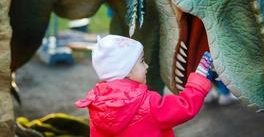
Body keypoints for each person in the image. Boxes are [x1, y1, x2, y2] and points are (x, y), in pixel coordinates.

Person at [75, 34, 214, 137]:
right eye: (141, 61)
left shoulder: (96, 104)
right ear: (127, 70)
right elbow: (185, 107)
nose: (146, 66)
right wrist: (199, 79)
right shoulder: (148, 103)